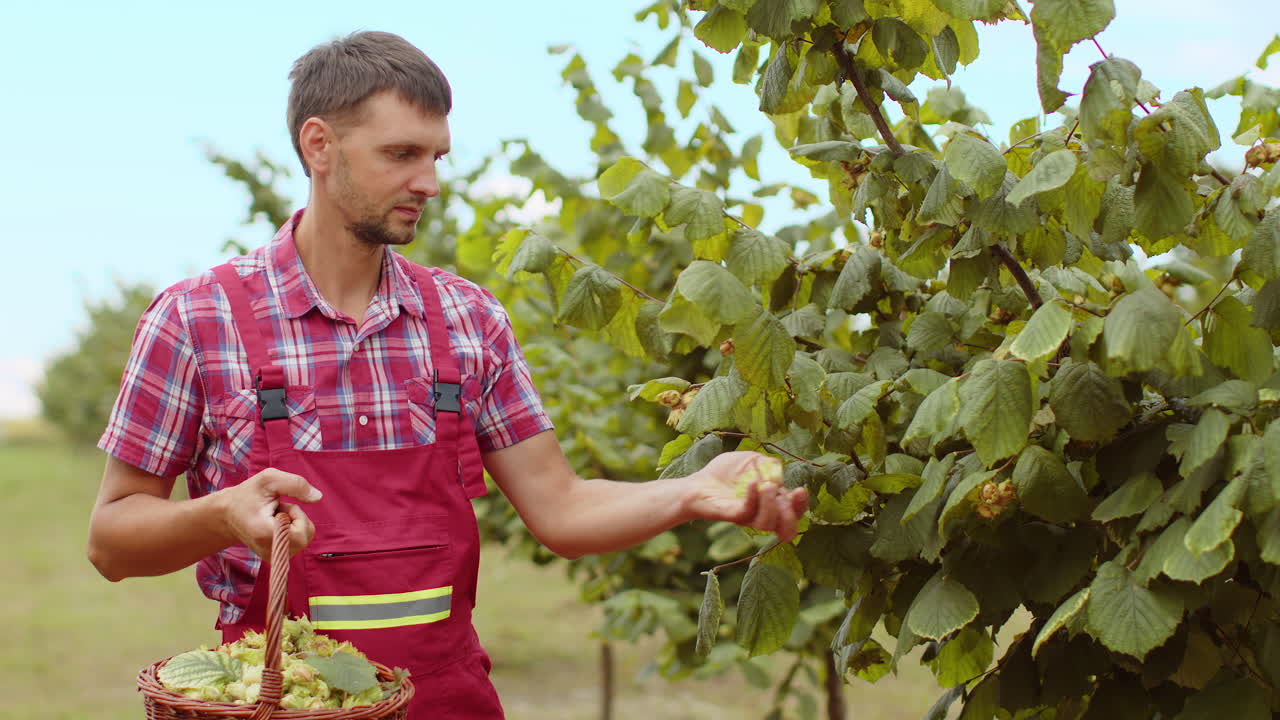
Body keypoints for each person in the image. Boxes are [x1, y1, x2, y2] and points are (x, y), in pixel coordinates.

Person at [88, 30, 808, 718]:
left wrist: (690, 493)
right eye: (401, 153)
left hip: (445, 703)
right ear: (319, 146)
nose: (427, 181)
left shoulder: (468, 320)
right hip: (286, 705)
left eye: (436, 156)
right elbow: (111, 541)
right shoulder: (197, 319)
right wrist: (219, 515)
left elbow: (561, 509)